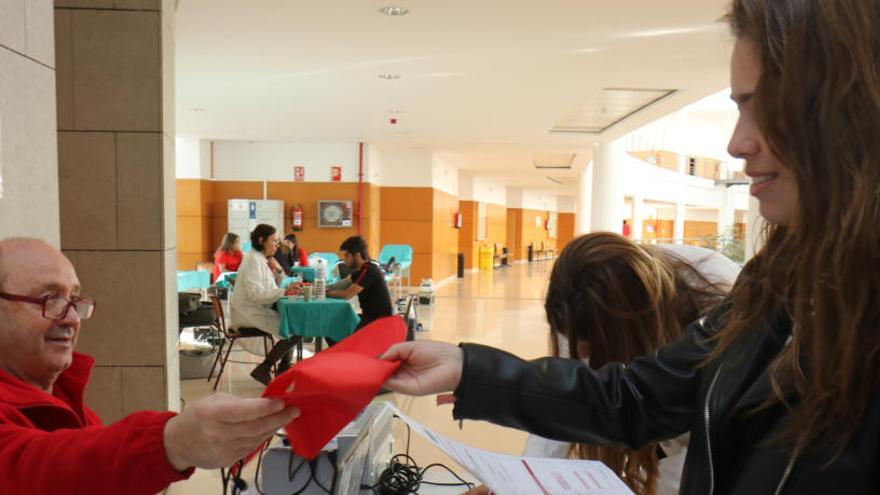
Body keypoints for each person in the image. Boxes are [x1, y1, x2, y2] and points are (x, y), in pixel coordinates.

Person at [382, 1, 880, 493]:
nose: (737, 143)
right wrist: (471, 370)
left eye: (764, 107)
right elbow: (638, 399)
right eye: (738, 108)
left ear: (847, 105)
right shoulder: (780, 280)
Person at [0, 238, 300, 494]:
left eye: (74, 299)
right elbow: (39, 468)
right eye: (49, 298)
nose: (72, 318)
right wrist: (174, 441)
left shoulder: (62, 397)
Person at [469, 233, 739, 495]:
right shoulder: (577, 301)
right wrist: (521, 483)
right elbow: (564, 404)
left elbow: (691, 455)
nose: (585, 358)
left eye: (593, 350)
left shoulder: (720, 305)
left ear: (626, 333)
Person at [229, 224, 296, 385]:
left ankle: (282, 368)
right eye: (273, 241)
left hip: (256, 309)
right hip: (248, 313)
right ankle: (266, 368)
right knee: (294, 329)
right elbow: (257, 294)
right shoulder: (253, 260)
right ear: (261, 240)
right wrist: (285, 291)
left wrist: (278, 270)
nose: (277, 245)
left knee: (294, 326)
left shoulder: (260, 259)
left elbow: (271, 288)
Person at [327, 236, 392, 333]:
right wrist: (321, 288)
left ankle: (347, 348)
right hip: (369, 317)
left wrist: (326, 293)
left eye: (347, 256)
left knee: (334, 329)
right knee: (333, 326)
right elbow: (342, 284)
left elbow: (347, 294)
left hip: (378, 321)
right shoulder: (360, 271)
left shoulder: (369, 270)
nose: (344, 260)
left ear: (357, 255)